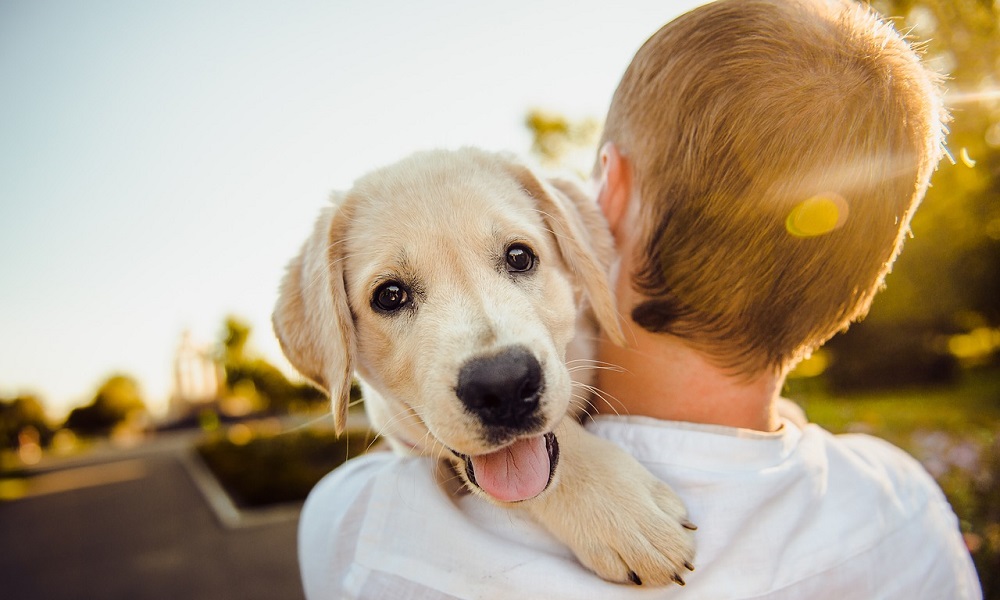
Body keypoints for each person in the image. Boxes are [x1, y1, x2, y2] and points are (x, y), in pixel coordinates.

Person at [297, 0, 982, 597]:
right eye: (392, 295)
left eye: (517, 258)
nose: (495, 358)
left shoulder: (361, 534)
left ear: (606, 199)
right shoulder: (907, 510)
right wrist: (569, 474)